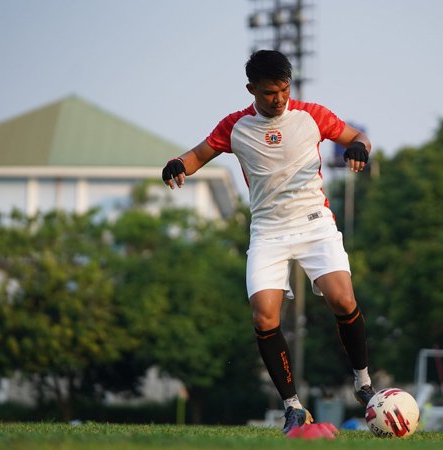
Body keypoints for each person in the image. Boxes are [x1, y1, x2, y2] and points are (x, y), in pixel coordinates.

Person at [162, 50, 374, 433]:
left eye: (283, 90)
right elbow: (198, 155)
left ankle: (363, 382)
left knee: (343, 298)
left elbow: (356, 137)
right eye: (268, 93)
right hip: (268, 231)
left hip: (314, 223)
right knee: (264, 315)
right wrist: (178, 164)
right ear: (251, 90)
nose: (277, 99)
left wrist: (358, 147)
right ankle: (293, 407)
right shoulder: (235, 126)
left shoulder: (311, 115)